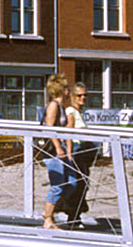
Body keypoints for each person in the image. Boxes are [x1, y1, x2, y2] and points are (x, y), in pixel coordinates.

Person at [63, 82, 98, 226]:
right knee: (77, 184)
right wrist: (69, 153)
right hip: (76, 151)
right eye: (79, 95)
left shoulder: (80, 113)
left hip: (83, 151)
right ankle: (72, 216)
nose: (83, 98)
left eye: (85, 95)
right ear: (73, 96)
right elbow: (69, 132)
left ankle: (75, 215)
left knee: (82, 184)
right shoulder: (71, 111)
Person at [40, 75, 72, 229]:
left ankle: (52, 208)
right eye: (67, 88)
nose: (69, 91)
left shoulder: (62, 108)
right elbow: (49, 127)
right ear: (62, 90)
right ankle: (48, 219)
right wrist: (58, 147)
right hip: (52, 152)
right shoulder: (53, 105)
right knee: (58, 185)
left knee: (71, 182)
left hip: (61, 151)